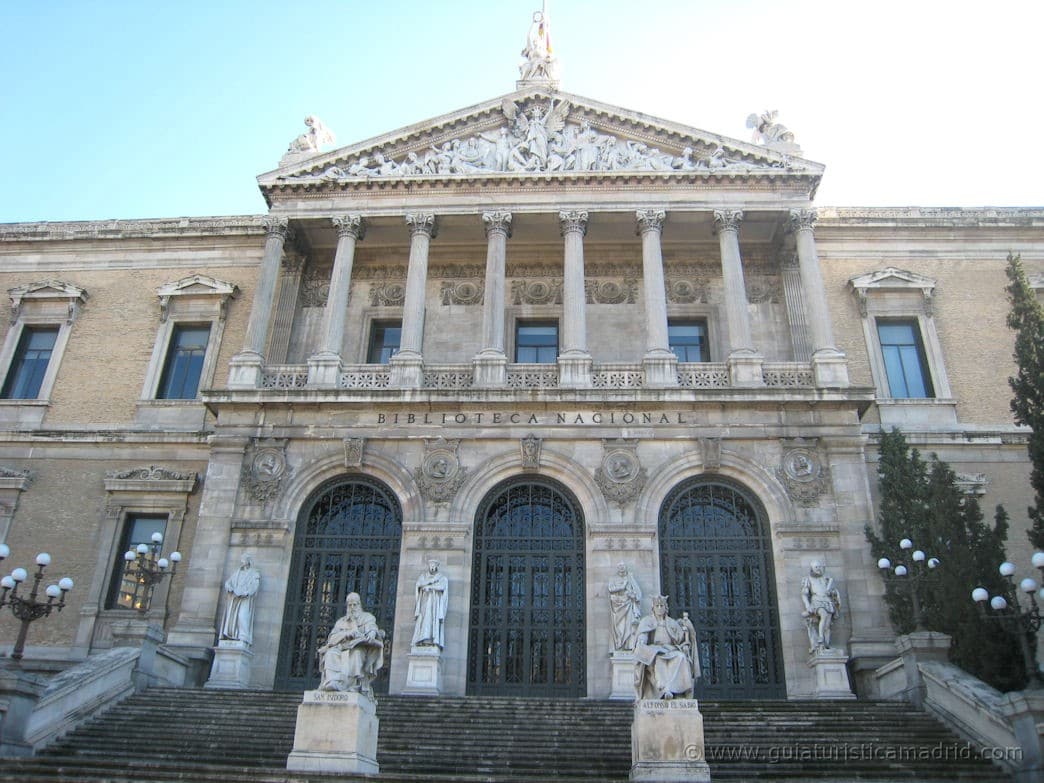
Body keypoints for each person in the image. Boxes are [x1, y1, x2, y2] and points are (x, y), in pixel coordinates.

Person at [318, 592, 386, 696]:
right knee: (330, 654)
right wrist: (346, 634)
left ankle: (352, 685)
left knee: (356, 654)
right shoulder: (341, 622)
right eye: (350, 605)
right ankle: (332, 682)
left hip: (358, 648)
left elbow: (372, 627)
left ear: (359, 604)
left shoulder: (367, 617)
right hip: (340, 648)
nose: (352, 608)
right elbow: (332, 638)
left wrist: (372, 633)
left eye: (355, 604)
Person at [633, 595, 698, 700]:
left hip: (670, 649)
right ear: (653, 608)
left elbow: (680, 639)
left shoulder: (671, 622)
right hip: (655, 649)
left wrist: (686, 639)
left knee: (681, 657)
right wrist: (641, 641)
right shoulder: (647, 621)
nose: (659, 608)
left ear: (665, 607)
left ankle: (678, 690)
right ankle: (664, 689)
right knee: (658, 659)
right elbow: (643, 635)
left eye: (661, 605)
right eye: (657, 606)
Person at [219, 552, 261, 645]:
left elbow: (255, 585)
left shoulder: (254, 573)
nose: (242, 562)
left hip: (245, 599)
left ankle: (243, 636)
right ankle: (232, 635)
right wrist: (229, 587)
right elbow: (228, 582)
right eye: (242, 560)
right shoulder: (237, 573)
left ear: (248, 561)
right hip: (235, 598)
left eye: (244, 560)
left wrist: (246, 593)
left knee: (242, 616)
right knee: (233, 617)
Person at [801, 561, 841, 652]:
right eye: (816, 567)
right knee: (823, 615)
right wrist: (807, 605)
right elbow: (804, 594)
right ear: (812, 569)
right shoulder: (808, 579)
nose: (818, 569)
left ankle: (826, 645)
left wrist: (831, 592)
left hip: (827, 601)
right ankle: (821, 637)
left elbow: (833, 592)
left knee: (827, 625)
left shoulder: (827, 579)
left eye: (820, 567)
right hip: (816, 601)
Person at [411, 560, 449, 648]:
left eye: (433, 565)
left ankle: (432, 639)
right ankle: (421, 638)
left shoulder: (441, 577)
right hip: (424, 602)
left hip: (435, 604)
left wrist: (431, 587)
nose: (432, 567)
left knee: (433, 620)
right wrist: (427, 585)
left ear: (436, 567)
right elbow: (419, 584)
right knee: (423, 619)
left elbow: (442, 586)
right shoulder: (423, 576)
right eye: (431, 565)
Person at [607, 563, 642, 652]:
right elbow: (610, 589)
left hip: (628, 604)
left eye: (623, 566)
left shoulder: (630, 578)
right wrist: (622, 586)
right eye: (620, 566)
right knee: (619, 627)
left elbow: (637, 593)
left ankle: (629, 645)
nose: (622, 568)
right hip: (617, 605)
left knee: (629, 626)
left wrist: (632, 595)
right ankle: (619, 644)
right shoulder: (613, 579)